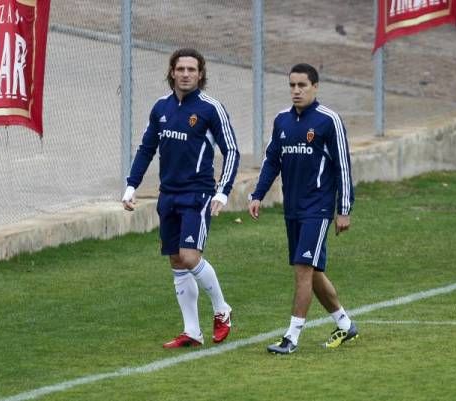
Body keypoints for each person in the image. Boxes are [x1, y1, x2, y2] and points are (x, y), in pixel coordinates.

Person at [122, 48, 239, 348]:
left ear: (201, 74)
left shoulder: (211, 109)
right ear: (172, 72)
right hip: (168, 195)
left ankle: (222, 309)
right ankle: (192, 331)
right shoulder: (160, 107)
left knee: (190, 256)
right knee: (176, 260)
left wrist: (222, 192)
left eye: (192, 69)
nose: (186, 74)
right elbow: (146, 148)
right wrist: (131, 186)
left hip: (197, 194)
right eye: (181, 69)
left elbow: (232, 151)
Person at [248, 63, 357, 354]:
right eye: (292, 86)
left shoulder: (328, 120)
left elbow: (343, 167)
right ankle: (345, 325)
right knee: (312, 270)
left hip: (317, 209)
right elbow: (273, 160)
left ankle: (291, 337)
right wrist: (257, 194)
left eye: (302, 86)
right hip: (292, 209)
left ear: (315, 87)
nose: (296, 91)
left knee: (303, 269)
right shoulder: (282, 120)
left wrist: (343, 209)